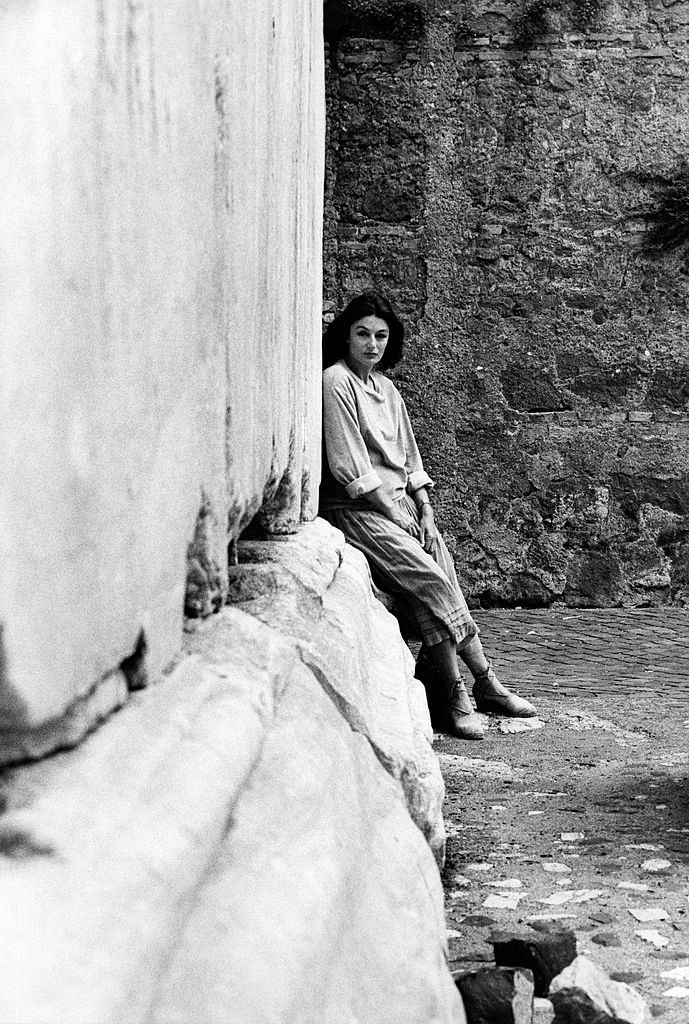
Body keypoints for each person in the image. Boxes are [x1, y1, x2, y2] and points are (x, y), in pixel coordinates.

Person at [319, 291, 537, 741]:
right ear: (346, 336)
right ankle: (475, 684)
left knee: (440, 575)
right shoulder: (336, 382)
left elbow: (411, 461)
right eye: (362, 334)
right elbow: (349, 466)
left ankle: (463, 693)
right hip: (359, 511)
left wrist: (426, 512)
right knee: (433, 581)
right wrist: (392, 512)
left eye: (381, 336)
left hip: (403, 507)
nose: (372, 344)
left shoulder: (387, 389)